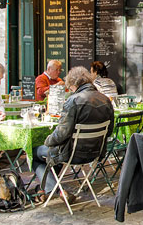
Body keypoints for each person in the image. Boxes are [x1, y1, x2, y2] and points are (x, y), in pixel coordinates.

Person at [32, 66, 114, 201]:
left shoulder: (73, 101)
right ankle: (48, 189)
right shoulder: (105, 100)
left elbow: (61, 134)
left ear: (74, 84)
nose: (70, 90)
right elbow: (109, 131)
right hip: (95, 153)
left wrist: (47, 141)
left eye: (69, 87)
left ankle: (54, 190)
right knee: (53, 154)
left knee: (35, 152)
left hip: (72, 154)